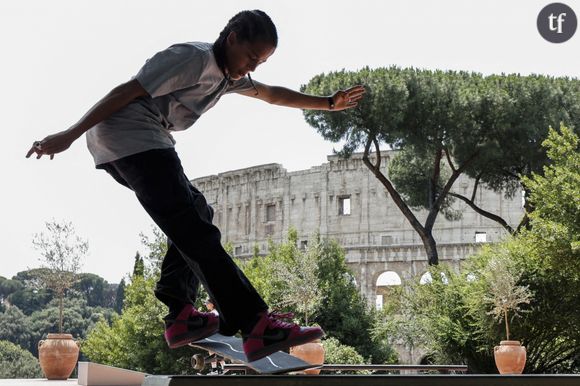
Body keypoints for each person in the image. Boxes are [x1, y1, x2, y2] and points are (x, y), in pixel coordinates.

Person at [26, 9, 364, 361]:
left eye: (259, 62)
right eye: (251, 57)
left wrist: (326, 104)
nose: (251, 68)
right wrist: (69, 133)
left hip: (126, 144)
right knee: (196, 229)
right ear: (232, 37)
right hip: (131, 133)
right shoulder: (193, 58)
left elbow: (271, 94)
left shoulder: (227, 76)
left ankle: (181, 316)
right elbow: (125, 91)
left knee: (196, 213)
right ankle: (255, 324)